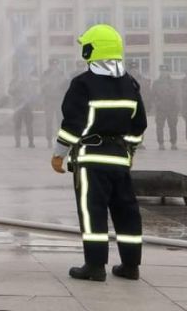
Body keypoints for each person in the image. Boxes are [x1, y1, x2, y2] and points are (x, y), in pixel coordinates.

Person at [51, 24, 146, 282]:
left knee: (93, 211)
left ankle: (94, 267)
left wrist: (59, 153)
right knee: (127, 211)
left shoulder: (83, 84)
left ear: (92, 50)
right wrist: (130, 150)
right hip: (119, 158)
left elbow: (73, 124)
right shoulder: (130, 84)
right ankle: (130, 266)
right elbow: (138, 125)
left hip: (91, 159)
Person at [41, 59, 69, 148]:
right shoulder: (46, 74)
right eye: (53, 65)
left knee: (60, 120)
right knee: (48, 121)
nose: (55, 67)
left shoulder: (61, 74)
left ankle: (60, 140)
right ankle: (49, 140)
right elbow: (42, 87)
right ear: (50, 65)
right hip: (49, 100)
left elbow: (66, 86)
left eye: (56, 65)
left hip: (59, 100)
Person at [151, 66, 179, 150]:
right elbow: (153, 96)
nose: (164, 73)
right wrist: (157, 104)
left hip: (172, 108)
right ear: (160, 72)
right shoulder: (156, 83)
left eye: (166, 71)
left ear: (168, 72)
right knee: (159, 127)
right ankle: (161, 143)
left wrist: (177, 106)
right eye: (162, 71)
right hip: (161, 109)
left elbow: (178, 95)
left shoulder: (173, 83)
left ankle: (173, 143)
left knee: (173, 126)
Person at [9, 72, 35, 148]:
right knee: (17, 125)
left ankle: (31, 142)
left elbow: (33, 92)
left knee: (29, 125)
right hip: (17, 106)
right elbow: (10, 91)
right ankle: (17, 143)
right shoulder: (14, 81)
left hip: (27, 106)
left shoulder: (28, 81)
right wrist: (17, 85)